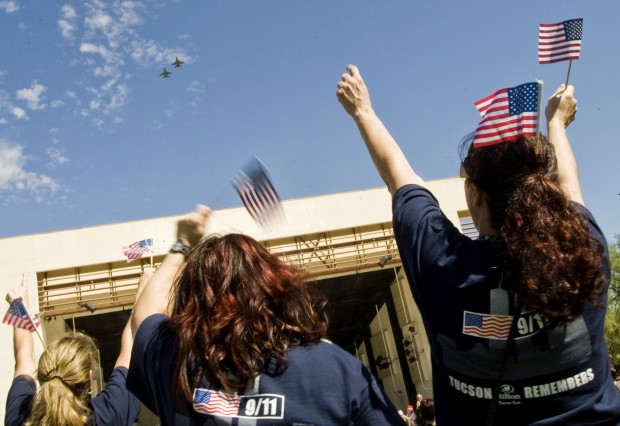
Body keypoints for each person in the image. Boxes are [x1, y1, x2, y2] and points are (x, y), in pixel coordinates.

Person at [337, 64, 620, 424]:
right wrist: (556, 124)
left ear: (473, 194)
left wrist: (362, 111)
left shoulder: (438, 262)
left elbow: (399, 174)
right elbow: (571, 186)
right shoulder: (583, 250)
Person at [127, 205, 403, 425]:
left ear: (192, 299)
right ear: (274, 289)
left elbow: (146, 311)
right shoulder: (335, 367)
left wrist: (182, 244)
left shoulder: (172, 360)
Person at [4, 271, 146, 426]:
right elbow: (130, 346)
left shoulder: (21, 418)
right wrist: (142, 294)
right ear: (89, 380)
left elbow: (23, 358)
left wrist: (19, 304)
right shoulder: (110, 413)